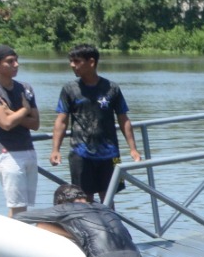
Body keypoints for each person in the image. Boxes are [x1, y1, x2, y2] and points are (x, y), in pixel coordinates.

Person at [50, 44, 141, 202]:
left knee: (109, 198)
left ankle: (110, 227)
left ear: (91, 62)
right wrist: (55, 149)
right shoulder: (69, 89)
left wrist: (133, 148)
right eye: (71, 61)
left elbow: (123, 118)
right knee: (83, 199)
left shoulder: (112, 88)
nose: (72, 65)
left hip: (111, 154)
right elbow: (61, 120)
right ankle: (90, 227)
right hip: (80, 153)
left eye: (77, 61)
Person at [0, 44, 40, 215]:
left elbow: (35, 124)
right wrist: (24, 110)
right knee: (17, 207)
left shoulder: (25, 88)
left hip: (28, 150)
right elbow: (5, 124)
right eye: (10, 62)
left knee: (25, 208)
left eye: (17, 60)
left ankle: (21, 239)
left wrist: (13, 113)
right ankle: (13, 239)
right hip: (6, 153)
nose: (16, 65)